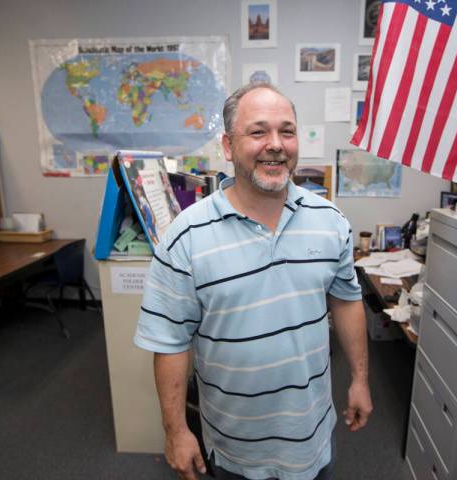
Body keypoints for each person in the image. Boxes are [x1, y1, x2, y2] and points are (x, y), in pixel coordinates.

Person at [134, 83, 372, 480]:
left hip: (313, 436)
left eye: (287, 131)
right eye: (258, 132)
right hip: (235, 447)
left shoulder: (330, 222)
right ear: (228, 146)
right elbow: (169, 342)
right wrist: (175, 430)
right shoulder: (185, 237)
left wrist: (360, 380)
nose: (276, 145)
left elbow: (346, 302)